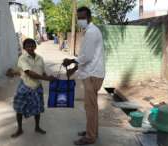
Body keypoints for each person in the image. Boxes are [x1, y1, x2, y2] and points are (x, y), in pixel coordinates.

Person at [62, 6, 105, 145]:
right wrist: (74, 69)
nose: (80, 20)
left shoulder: (92, 32)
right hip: (91, 73)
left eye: (82, 17)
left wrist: (71, 61)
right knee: (92, 106)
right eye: (79, 18)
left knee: (90, 107)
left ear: (89, 17)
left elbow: (86, 56)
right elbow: (85, 57)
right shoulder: (89, 31)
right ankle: (92, 131)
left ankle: (90, 136)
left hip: (92, 75)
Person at [11, 38, 56, 138]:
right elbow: (29, 73)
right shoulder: (22, 58)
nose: (30, 47)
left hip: (37, 86)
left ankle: (37, 127)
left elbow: (42, 71)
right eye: (28, 46)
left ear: (35, 46)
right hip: (25, 86)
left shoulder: (40, 58)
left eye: (32, 45)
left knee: (38, 108)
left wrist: (48, 76)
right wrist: (46, 78)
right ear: (24, 48)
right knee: (19, 108)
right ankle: (19, 129)